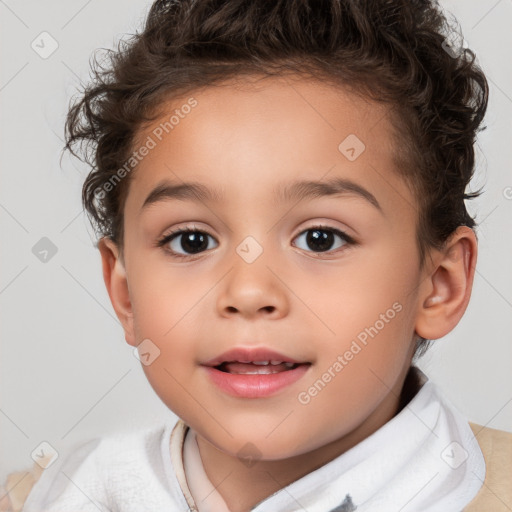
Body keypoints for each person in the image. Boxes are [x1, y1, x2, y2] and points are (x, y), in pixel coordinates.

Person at [10, 0, 512, 510]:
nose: (249, 293)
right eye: (191, 241)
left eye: (321, 238)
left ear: (440, 284)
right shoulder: (49, 498)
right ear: (124, 293)